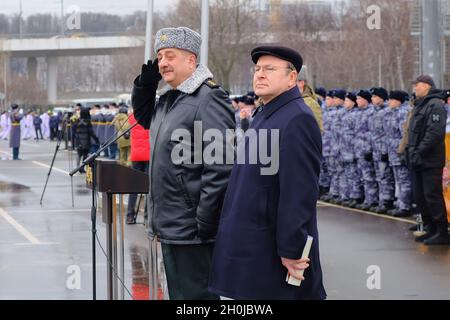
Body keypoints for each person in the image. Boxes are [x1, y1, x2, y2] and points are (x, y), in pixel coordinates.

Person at [209, 46, 326, 300]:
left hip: (271, 254)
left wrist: (292, 249)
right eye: (257, 69)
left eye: (270, 69)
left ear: (292, 78)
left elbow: (299, 192)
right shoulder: (266, 113)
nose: (260, 75)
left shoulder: (297, 119)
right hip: (249, 246)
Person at [132, 26, 235, 299]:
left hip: (191, 229)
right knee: (180, 296)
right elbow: (145, 119)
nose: (163, 62)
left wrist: (204, 221)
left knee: (196, 298)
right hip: (171, 224)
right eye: (160, 57)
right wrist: (146, 83)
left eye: (170, 56)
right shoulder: (171, 99)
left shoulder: (208, 99)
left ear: (191, 60)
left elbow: (221, 167)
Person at [406, 75, 450, 245]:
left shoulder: (435, 105)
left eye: (417, 85)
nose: (414, 89)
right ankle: (431, 229)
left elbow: (434, 134)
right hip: (418, 159)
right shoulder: (422, 105)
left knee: (432, 196)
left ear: (426, 86)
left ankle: (442, 232)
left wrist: (419, 151)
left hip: (430, 160)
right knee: (421, 196)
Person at [385, 91, 413, 217]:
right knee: (399, 180)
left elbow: (404, 135)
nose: (389, 102)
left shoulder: (402, 113)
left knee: (404, 180)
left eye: (391, 99)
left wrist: (403, 153)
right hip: (394, 152)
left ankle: (405, 206)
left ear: (398, 101)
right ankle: (401, 203)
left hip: (400, 152)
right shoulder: (393, 112)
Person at [126, 112, 150, 225]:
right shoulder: (152, 115)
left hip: (136, 155)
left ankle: (130, 216)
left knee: (134, 186)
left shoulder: (132, 116)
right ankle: (147, 217)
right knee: (149, 188)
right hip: (149, 155)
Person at [74, 108, 99, 174]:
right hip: (86, 140)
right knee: (85, 155)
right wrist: (96, 139)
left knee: (79, 154)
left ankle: (77, 167)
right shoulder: (88, 121)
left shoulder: (77, 121)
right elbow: (91, 132)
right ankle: (82, 168)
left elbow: (74, 130)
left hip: (78, 140)